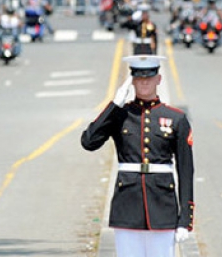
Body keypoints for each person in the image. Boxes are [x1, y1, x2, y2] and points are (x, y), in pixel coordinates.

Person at [81, 55, 194, 257]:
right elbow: (89, 142)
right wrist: (114, 105)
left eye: (149, 77)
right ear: (132, 80)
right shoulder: (120, 115)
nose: (144, 82)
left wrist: (185, 218)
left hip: (162, 206)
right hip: (127, 205)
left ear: (158, 79)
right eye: (139, 77)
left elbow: (186, 171)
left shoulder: (176, 118)